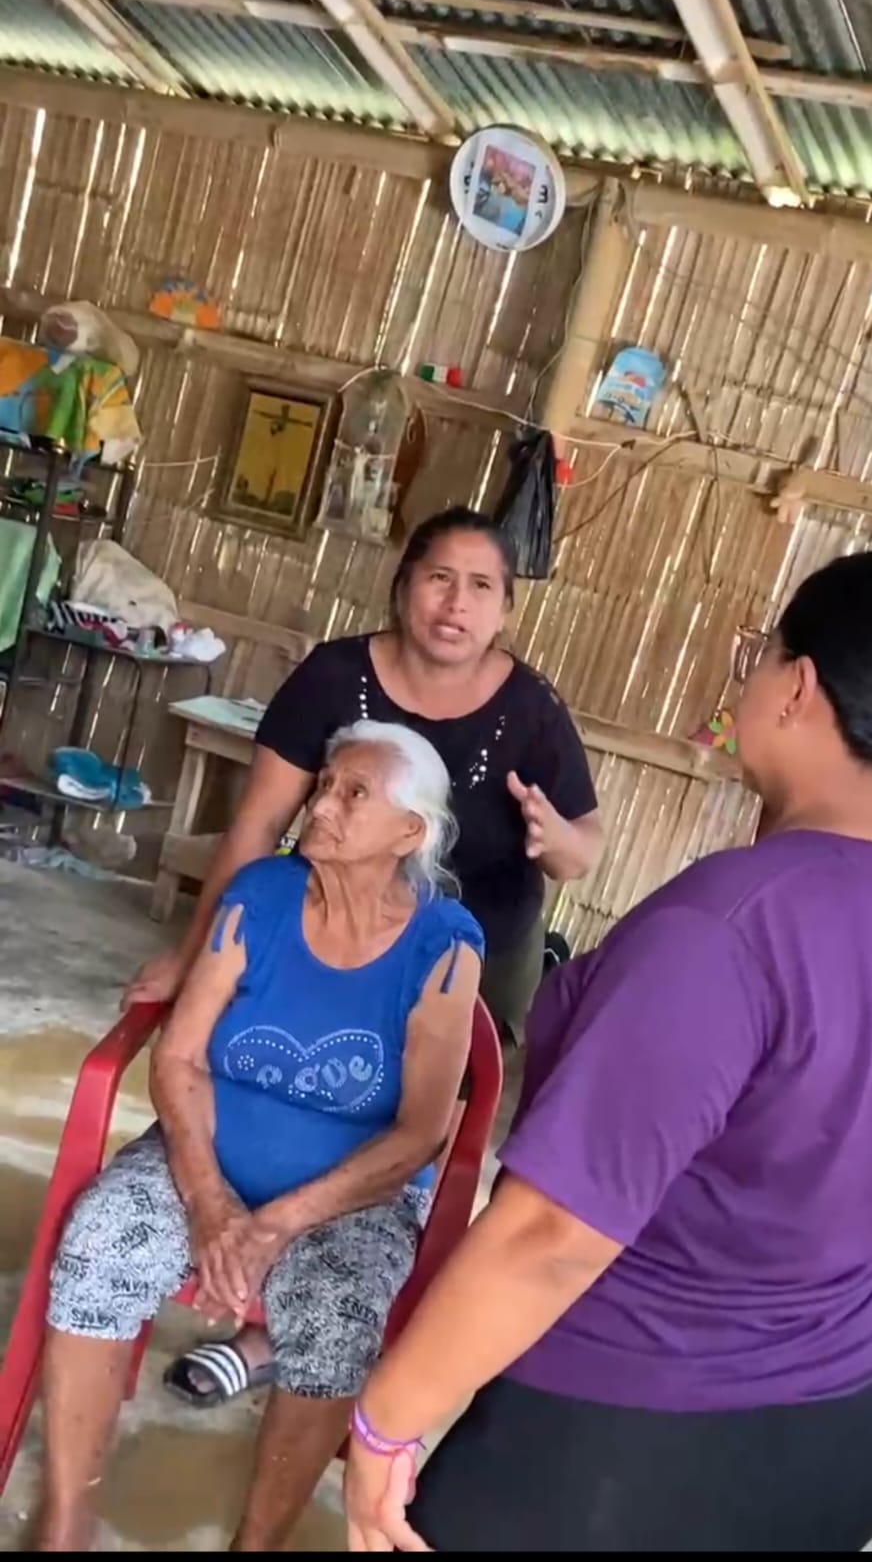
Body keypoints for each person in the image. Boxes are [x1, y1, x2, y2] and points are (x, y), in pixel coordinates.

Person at [344, 551, 872, 1554]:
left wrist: (388, 1420)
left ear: (799, 687)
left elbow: (555, 1234)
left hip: (624, 1443)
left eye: (762, 654)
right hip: (844, 1433)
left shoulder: (732, 926)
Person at [129, 505, 600, 1409]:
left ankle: (277, 1329)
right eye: (438, 578)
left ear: (505, 608)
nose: (455, 603)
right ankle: (261, 1260)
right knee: (285, 1084)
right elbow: (258, 825)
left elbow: (584, 847)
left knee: (413, 1122)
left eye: (481, 586)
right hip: (323, 926)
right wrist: (193, 956)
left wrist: (558, 842)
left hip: (464, 952)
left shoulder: (532, 709)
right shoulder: (334, 677)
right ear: (403, 584)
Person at [36, 721, 483, 1553]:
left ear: (408, 832)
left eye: (354, 794)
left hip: (348, 1200)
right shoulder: (259, 897)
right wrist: (212, 1205)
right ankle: (63, 1525)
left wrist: (273, 1225)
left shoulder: (443, 945)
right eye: (325, 786)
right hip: (207, 1162)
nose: (322, 806)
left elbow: (422, 1130)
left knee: (337, 1315)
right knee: (99, 1239)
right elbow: (178, 1058)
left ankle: (257, 1545)